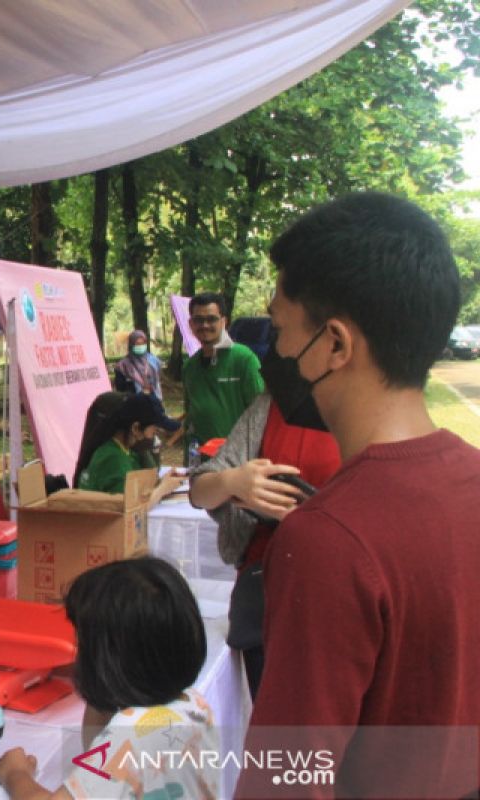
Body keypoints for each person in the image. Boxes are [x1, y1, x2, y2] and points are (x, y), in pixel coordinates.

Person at [239, 193, 480, 797]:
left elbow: (288, 779)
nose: (277, 354)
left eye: (280, 329)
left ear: (336, 345)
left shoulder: (328, 538)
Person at [0, 557, 218, 799]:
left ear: (105, 661)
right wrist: (101, 691)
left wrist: (15, 774)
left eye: (83, 645)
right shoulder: (194, 703)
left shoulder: (130, 733)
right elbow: (94, 745)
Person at [187, 391, 340, 698]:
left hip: (339, 600)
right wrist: (231, 482)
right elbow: (199, 490)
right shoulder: (272, 406)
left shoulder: (367, 410)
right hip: (267, 598)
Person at [181, 292, 265, 448]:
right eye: (199, 320)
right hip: (200, 459)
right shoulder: (190, 367)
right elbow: (190, 414)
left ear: (223, 322)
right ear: (191, 324)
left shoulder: (243, 359)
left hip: (236, 458)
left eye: (211, 319)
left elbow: (259, 412)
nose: (205, 325)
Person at [73, 392, 179, 493]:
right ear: (135, 428)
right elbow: (128, 506)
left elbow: (142, 487)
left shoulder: (127, 451)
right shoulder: (113, 459)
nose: (156, 433)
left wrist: (163, 481)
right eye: (155, 428)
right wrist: (162, 489)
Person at [113, 330, 163, 401]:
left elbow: (157, 382)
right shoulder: (123, 365)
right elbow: (120, 388)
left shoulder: (154, 361)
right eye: (137, 344)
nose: (140, 346)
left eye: (143, 343)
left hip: (154, 402)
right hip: (133, 404)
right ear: (131, 345)